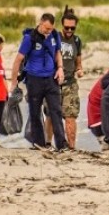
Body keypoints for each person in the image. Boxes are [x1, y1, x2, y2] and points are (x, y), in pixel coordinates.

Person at [9, 13, 69, 151]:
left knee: (56, 111)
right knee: (35, 112)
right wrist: (13, 83)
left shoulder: (54, 35)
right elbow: (18, 60)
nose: (48, 32)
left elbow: (58, 53)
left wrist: (60, 68)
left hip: (51, 78)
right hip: (34, 79)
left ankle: (61, 144)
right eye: (46, 28)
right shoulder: (29, 38)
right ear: (40, 23)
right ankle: (39, 143)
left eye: (50, 29)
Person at [45, 9, 84, 148]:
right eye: (66, 27)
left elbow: (78, 62)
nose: (69, 30)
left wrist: (79, 70)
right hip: (53, 82)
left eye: (72, 28)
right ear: (62, 25)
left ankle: (71, 147)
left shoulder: (77, 40)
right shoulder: (54, 38)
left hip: (70, 83)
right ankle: (48, 143)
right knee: (50, 115)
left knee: (70, 116)